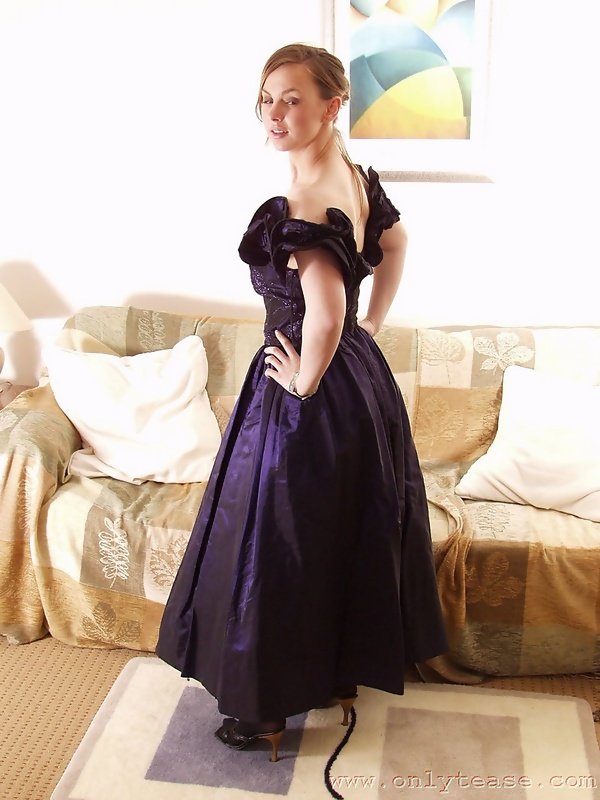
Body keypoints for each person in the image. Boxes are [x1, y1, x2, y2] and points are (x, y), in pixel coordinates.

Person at [156, 42, 448, 764]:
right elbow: (396, 244)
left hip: (308, 392)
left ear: (332, 105)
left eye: (292, 99)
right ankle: (331, 672)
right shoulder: (352, 177)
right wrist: (369, 329)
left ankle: (260, 712)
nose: (275, 114)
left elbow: (324, 312)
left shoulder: (306, 201)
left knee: (272, 543)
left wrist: (302, 384)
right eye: (267, 99)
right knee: (329, 535)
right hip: (359, 386)